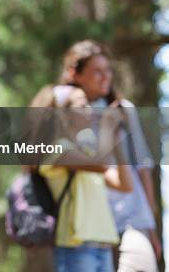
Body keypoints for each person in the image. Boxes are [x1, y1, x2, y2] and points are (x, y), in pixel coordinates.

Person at [59, 40, 160, 272]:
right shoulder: (67, 113)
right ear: (76, 74)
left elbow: (142, 167)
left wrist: (151, 227)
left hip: (132, 217)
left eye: (108, 70)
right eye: (97, 71)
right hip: (89, 223)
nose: (105, 77)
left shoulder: (123, 110)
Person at [35, 84, 133, 272]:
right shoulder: (56, 150)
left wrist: (116, 139)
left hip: (102, 245)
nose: (90, 110)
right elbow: (101, 163)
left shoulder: (86, 151)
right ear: (63, 114)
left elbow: (125, 184)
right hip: (76, 246)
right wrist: (106, 126)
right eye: (82, 106)